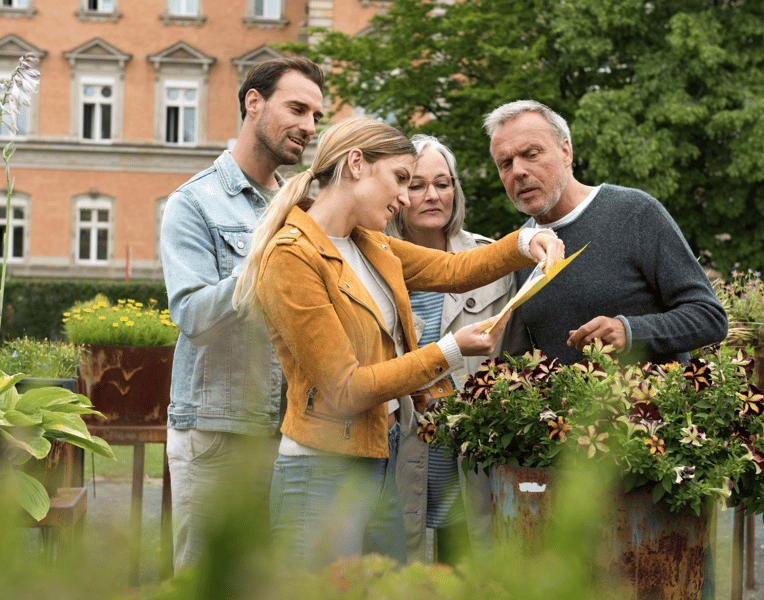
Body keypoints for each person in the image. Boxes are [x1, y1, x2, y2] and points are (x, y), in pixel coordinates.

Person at [232, 116, 564, 571]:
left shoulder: (367, 244)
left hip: (379, 452)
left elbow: (454, 270)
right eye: (401, 179)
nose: (406, 198)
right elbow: (345, 389)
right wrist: (449, 351)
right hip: (322, 468)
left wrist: (530, 239)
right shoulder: (292, 256)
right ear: (355, 165)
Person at [159, 56, 324, 571]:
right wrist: (263, 261)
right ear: (254, 103)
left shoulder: (300, 209)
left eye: (317, 116)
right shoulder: (194, 202)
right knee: (208, 579)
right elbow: (191, 315)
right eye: (297, 108)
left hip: (290, 432)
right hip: (218, 433)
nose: (309, 127)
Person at [481, 100, 728, 366]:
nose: (518, 171)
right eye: (505, 163)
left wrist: (630, 332)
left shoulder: (635, 213)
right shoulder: (519, 250)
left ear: (566, 152)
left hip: (652, 404)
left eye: (531, 154)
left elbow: (710, 317)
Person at [385, 134, 528, 564]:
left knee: (466, 568)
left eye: (443, 183)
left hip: (469, 453)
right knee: (397, 575)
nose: (432, 195)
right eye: (415, 184)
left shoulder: (491, 260)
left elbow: (514, 359)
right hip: (397, 451)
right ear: (397, 193)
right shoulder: (374, 262)